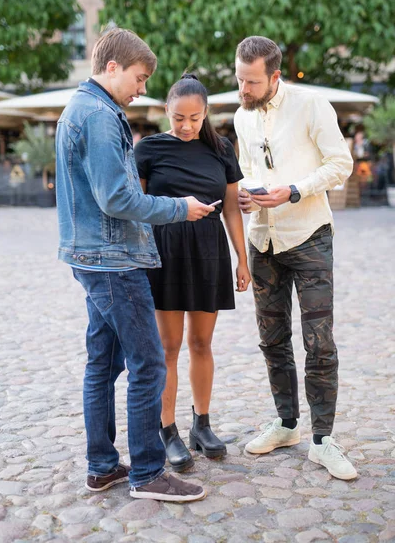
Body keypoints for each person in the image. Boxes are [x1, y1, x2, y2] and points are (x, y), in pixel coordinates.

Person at [55, 28, 218, 502]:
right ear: (112, 68)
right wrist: (178, 208)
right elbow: (117, 197)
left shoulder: (78, 109)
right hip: (114, 261)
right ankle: (148, 472)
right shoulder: (101, 116)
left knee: (102, 365)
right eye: (140, 77)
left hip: (91, 256)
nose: (143, 88)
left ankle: (102, 466)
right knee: (149, 363)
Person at [234, 36, 357, 480]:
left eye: (251, 82)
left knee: (319, 342)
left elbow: (340, 164)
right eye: (239, 79)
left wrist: (295, 190)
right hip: (261, 239)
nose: (243, 89)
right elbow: (247, 169)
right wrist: (247, 196)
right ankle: (286, 424)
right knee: (271, 340)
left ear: (275, 77)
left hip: (308, 236)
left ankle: (323, 440)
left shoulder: (311, 105)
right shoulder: (241, 117)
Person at [134, 74, 251, 472]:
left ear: (206, 114)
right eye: (179, 117)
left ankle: (201, 425)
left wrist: (242, 258)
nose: (186, 126)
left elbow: (232, 208)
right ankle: (167, 430)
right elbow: (138, 206)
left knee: (202, 343)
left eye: (195, 118)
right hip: (164, 252)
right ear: (166, 111)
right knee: (167, 347)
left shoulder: (221, 150)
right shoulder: (148, 149)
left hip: (208, 250)